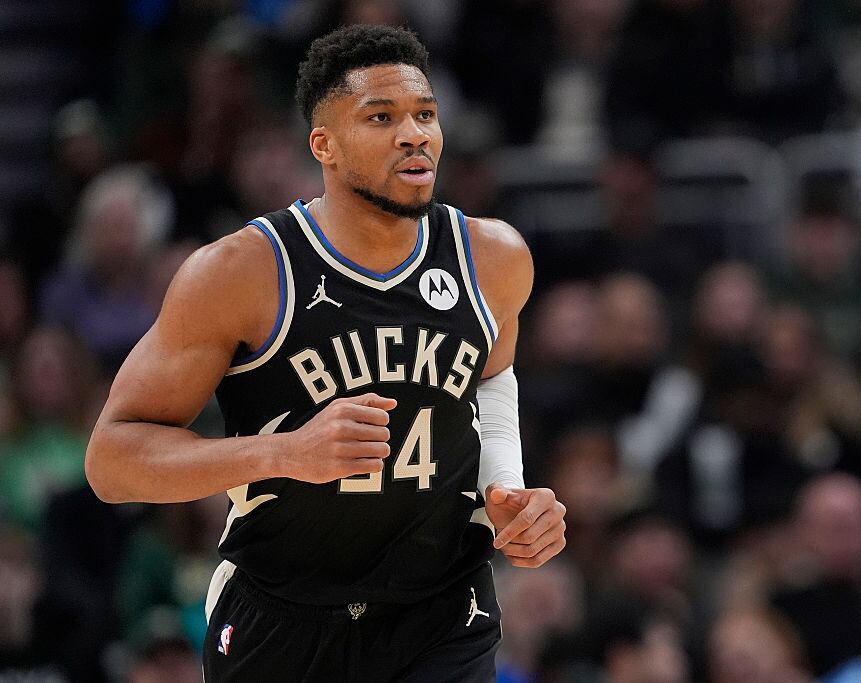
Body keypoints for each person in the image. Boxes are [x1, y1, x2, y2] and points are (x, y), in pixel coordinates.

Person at [84, 24, 567, 681]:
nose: (415, 133)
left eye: (425, 114)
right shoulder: (240, 272)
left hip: (440, 612)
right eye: (382, 116)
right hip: (282, 614)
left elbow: (490, 382)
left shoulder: (494, 257)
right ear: (325, 145)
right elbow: (112, 459)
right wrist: (282, 454)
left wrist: (504, 487)